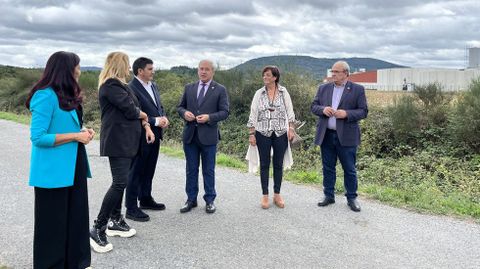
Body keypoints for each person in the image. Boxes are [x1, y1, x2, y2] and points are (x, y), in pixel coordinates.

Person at [26, 51, 94, 269]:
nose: (80, 70)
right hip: (52, 171)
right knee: (52, 225)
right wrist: (75, 136)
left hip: (74, 166)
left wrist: (82, 131)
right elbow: (38, 137)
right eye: (78, 66)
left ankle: (75, 263)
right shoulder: (45, 95)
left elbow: (66, 126)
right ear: (67, 69)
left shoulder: (67, 94)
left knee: (76, 219)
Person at [90, 52, 155, 253]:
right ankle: (98, 227)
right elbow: (131, 109)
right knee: (119, 183)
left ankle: (115, 220)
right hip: (117, 141)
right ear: (120, 65)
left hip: (127, 141)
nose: (128, 69)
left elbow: (136, 107)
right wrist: (143, 115)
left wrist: (145, 122)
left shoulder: (122, 86)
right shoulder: (110, 85)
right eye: (126, 65)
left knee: (122, 181)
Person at [311, 60, 368, 212]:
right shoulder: (323, 88)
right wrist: (323, 109)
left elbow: (363, 111)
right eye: (332, 71)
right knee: (328, 167)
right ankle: (328, 195)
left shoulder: (357, 90)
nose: (333, 74)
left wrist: (346, 114)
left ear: (346, 74)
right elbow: (313, 107)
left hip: (347, 136)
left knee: (349, 168)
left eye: (336, 72)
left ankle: (351, 198)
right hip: (326, 135)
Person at [177, 59, 229, 214]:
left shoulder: (220, 89)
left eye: (207, 69)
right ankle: (191, 200)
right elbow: (180, 107)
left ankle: (210, 200)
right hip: (190, 136)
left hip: (209, 136)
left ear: (212, 71)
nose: (203, 72)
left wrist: (209, 117)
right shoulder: (189, 88)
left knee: (208, 170)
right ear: (197, 70)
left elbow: (225, 112)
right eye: (201, 69)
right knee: (191, 170)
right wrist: (184, 113)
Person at [125, 57, 169, 222]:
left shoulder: (154, 85)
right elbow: (133, 113)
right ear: (140, 71)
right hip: (140, 135)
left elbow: (159, 106)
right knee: (135, 171)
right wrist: (155, 121)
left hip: (155, 134)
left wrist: (163, 117)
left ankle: (145, 198)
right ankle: (131, 207)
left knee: (149, 169)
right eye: (150, 69)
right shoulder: (130, 88)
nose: (153, 71)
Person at [247, 66, 296, 209]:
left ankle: (277, 194)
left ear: (275, 77)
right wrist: (251, 133)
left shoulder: (283, 92)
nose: (265, 77)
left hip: (281, 132)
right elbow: (253, 113)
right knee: (264, 164)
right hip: (262, 132)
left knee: (278, 164)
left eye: (268, 75)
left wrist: (291, 128)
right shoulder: (259, 93)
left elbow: (290, 111)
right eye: (264, 75)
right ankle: (265, 195)